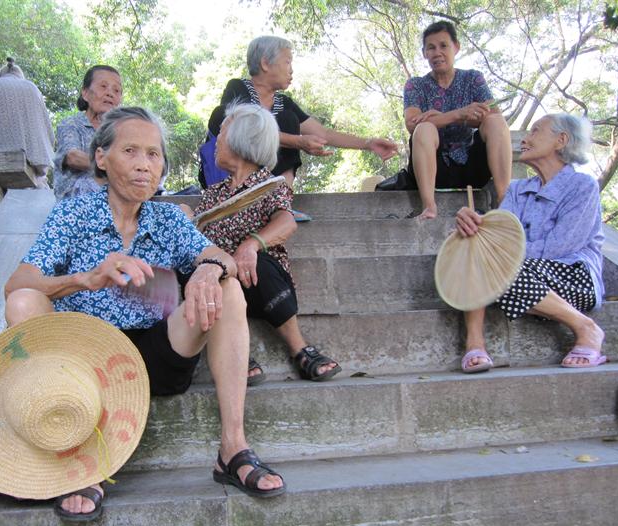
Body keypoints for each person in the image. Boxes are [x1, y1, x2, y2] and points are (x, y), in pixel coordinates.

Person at [4, 107, 286, 521]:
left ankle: (233, 448)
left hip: (156, 356)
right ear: (102, 158)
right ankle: (76, 451)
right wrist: (87, 279)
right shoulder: (72, 214)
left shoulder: (168, 218)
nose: (144, 164)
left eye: (153, 154)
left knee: (226, 288)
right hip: (84, 367)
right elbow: (17, 284)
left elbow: (220, 257)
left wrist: (208, 269)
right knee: (23, 302)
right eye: (131, 151)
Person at [195, 103, 341, 384]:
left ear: (240, 140)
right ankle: (234, 351)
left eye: (221, 133)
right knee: (204, 270)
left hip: (260, 283)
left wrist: (250, 246)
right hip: (224, 284)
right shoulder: (213, 195)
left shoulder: (270, 185)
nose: (215, 142)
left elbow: (287, 221)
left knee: (260, 263)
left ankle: (299, 348)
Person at [456, 113, 606, 373]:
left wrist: (498, 251)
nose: (524, 139)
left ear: (561, 140)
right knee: (473, 253)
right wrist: (473, 225)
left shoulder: (582, 185)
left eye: (535, 131)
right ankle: (475, 344)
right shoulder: (517, 190)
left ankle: (586, 327)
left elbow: (559, 247)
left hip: (573, 277)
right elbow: (500, 236)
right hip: (519, 274)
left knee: (493, 263)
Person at [204, 36, 397, 201]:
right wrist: (298, 141)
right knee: (229, 116)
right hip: (230, 178)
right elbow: (244, 131)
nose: (291, 70)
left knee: (288, 119)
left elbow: (323, 134)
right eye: (287, 62)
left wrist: (368, 143)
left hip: (266, 183)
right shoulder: (238, 88)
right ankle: (252, 193)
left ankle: (282, 198)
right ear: (265, 63)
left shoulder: (284, 103)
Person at [400, 20, 512, 220]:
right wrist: (460, 114)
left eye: (443, 45)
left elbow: (493, 114)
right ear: (424, 53)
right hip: (434, 170)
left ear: (456, 47)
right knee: (424, 129)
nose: (437, 53)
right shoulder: (415, 85)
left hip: (471, 165)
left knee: (495, 122)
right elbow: (412, 124)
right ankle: (429, 206)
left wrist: (440, 118)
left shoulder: (473, 78)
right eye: (431, 48)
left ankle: (505, 200)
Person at [0, 58, 54, 187]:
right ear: (21, 76)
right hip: (35, 162)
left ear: (0, 75)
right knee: (40, 185)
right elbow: (50, 137)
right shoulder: (34, 89)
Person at [53, 65, 122, 200]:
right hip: (76, 203)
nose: (110, 93)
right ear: (85, 93)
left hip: (110, 201)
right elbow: (73, 157)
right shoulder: (71, 124)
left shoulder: (119, 132)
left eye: (116, 90)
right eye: (103, 86)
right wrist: (116, 168)